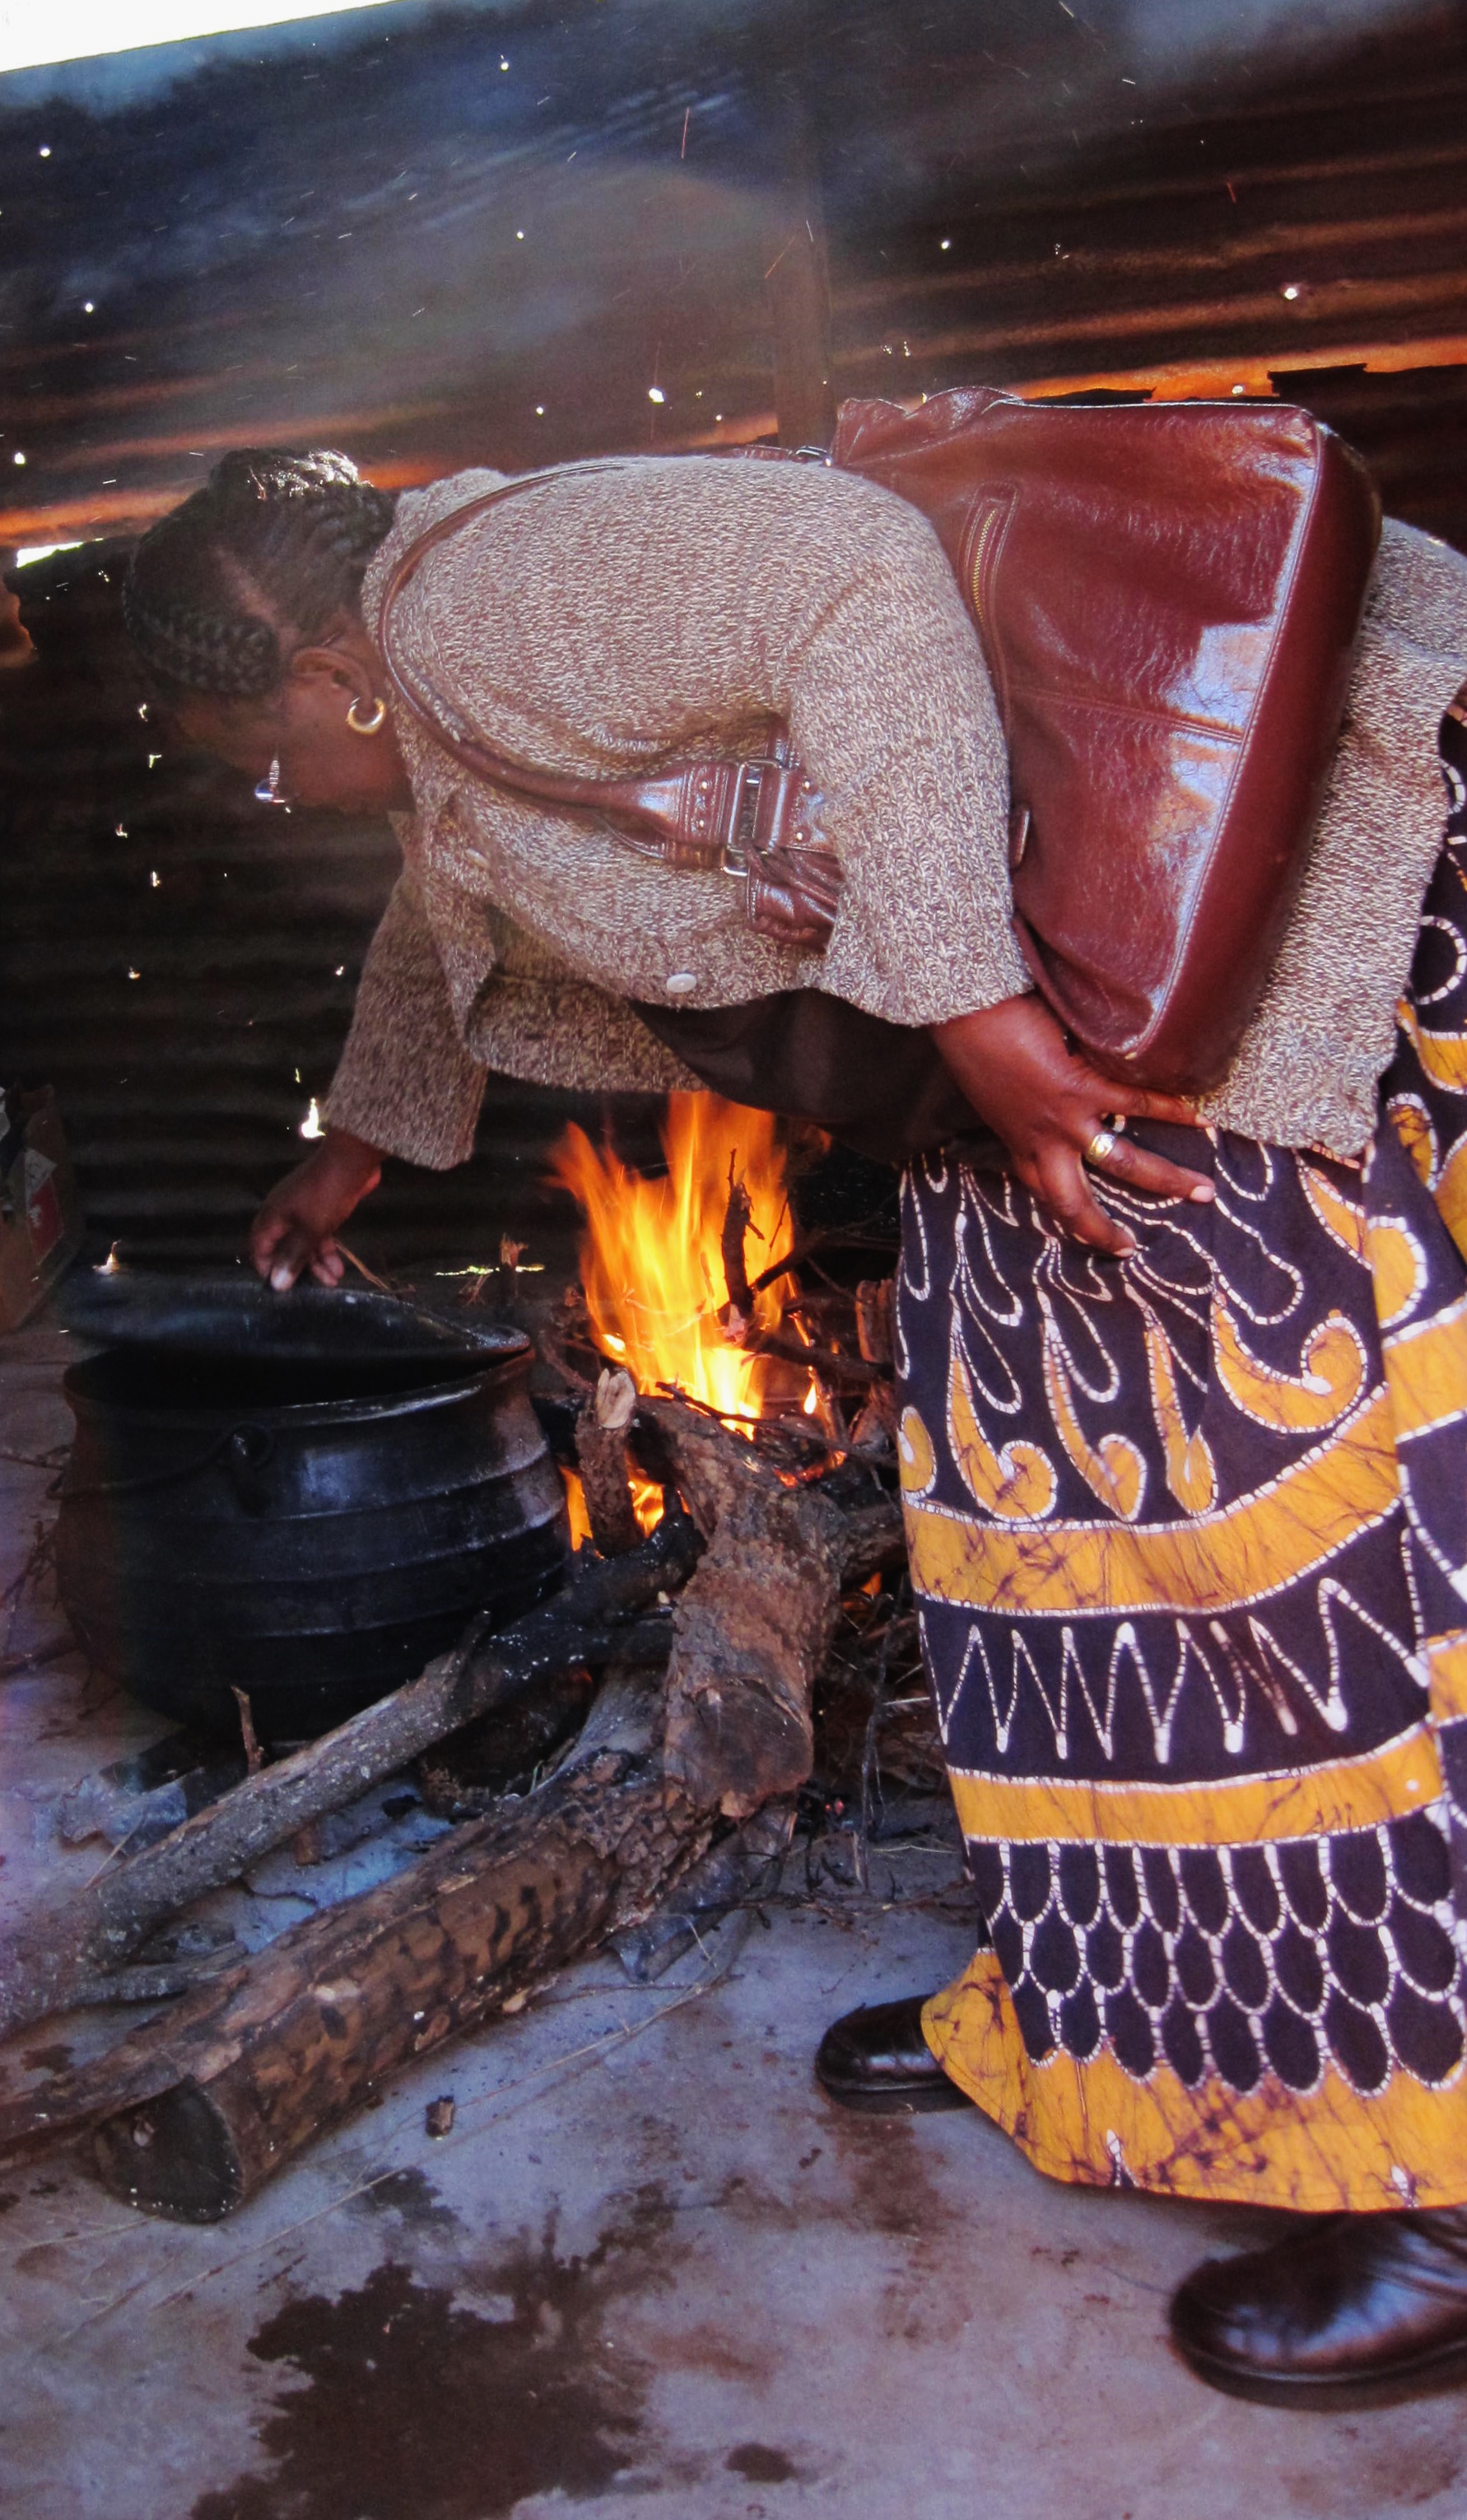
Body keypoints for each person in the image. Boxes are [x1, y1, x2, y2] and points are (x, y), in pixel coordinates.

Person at [123, 439, 1467, 2402]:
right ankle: (1106, 2019)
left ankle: (1433, 2175)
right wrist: (364, 1148)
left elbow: (849, 568)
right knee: (1033, 1554)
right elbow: (456, 890)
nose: (281, 797)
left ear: (324, 679)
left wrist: (978, 1015)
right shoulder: (440, 690)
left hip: (1229, 993)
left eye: (258, 763)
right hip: (1048, 1041)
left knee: (1283, 1559)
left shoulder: (481, 603)